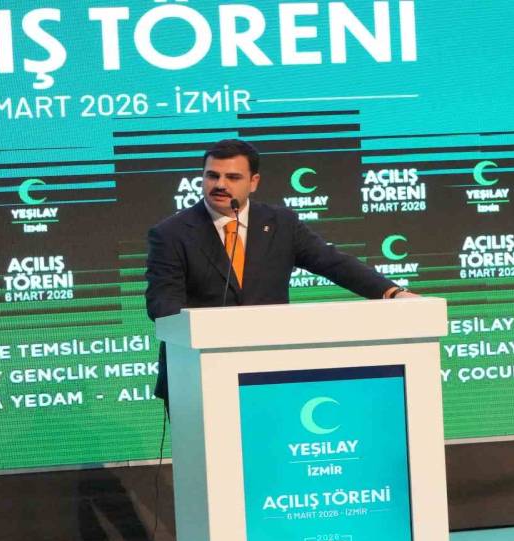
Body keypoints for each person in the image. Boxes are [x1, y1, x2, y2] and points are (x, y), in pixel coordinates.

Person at [145, 139, 417, 405]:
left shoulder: (280, 224)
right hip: (196, 376)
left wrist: (392, 292)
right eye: (212, 175)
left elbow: (332, 262)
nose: (220, 185)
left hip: (269, 372)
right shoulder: (171, 234)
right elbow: (162, 304)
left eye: (233, 177)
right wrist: (209, 330)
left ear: (254, 182)